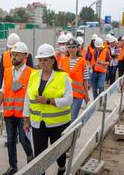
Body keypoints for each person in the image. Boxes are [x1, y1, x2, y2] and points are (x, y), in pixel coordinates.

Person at [23, 44, 73, 175]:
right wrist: (25, 118)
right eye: (40, 59)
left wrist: (49, 101)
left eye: (45, 59)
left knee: (59, 153)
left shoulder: (63, 77)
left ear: (52, 60)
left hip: (59, 123)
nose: (42, 62)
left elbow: (69, 99)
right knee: (39, 156)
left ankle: (61, 168)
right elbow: (27, 98)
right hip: (38, 122)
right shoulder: (34, 75)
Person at [0, 42, 33, 175]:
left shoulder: (31, 73)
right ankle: (12, 166)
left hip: (23, 114)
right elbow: (3, 91)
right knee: (10, 140)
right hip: (9, 112)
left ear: (25, 56)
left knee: (24, 140)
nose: (13, 57)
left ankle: (30, 158)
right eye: (12, 54)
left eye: (16, 55)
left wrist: (29, 115)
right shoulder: (8, 72)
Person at [61, 38, 90, 121]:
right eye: (69, 47)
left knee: (72, 118)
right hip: (64, 94)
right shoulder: (63, 60)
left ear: (78, 48)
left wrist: (86, 95)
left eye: (73, 47)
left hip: (77, 96)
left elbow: (85, 80)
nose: (71, 50)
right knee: (64, 119)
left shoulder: (82, 62)